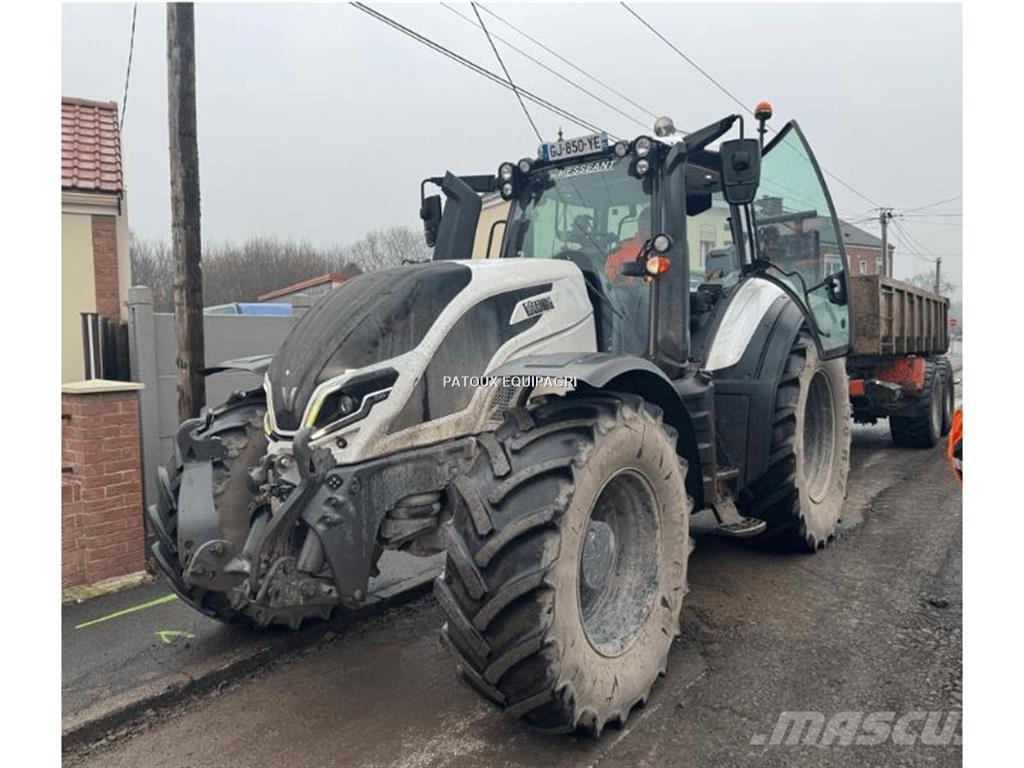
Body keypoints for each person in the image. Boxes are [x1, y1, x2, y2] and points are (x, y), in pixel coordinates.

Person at [605, 207, 651, 282]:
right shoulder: (623, 248)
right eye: (642, 227)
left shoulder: (666, 250)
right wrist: (619, 275)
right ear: (638, 226)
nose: (644, 231)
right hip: (625, 291)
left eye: (648, 228)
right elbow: (608, 271)